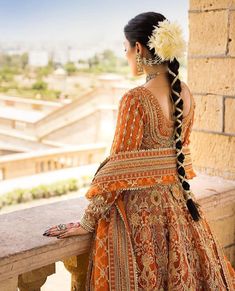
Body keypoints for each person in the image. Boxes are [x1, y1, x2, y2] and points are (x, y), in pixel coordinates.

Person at [43, 12, 235, 291]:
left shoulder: (135, 100)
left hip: (141, 222)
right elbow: (178, 155)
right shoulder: (186, 92)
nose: (126, 56)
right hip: (181, 212)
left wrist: (88, 221)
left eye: (126, 49)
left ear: (139, 48)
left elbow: (117, 170)